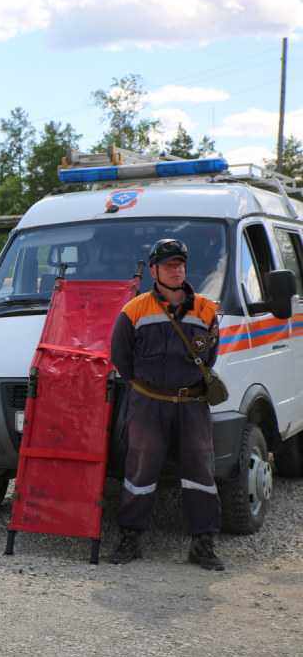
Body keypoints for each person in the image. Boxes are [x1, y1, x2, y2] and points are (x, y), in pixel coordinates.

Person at [109, 239, 224, 570]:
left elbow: (210, 356)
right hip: (148, 403)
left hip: (193, 404)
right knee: (139, 471)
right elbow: (121, 358)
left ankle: (202, 544)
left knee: (201, 472)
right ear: (155, 271)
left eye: (180, 264)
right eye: (169, 265)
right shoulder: (134, 310)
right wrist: (148, 388)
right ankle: (131, 538)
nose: (176, 270)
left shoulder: (206, 310)